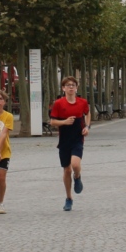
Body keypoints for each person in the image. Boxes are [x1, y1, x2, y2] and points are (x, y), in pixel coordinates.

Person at [49, 76, 90, 211]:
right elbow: (53, 121)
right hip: (64, 140)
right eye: (68, 85)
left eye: (73, 85)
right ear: (63, 88)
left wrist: (87, 127)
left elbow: (88, 113)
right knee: (67, 170)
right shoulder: (59, 104)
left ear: (76, 88)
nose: (71, 87)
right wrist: (64, 122)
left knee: (75, 164)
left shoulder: (82, 102)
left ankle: (77, 176)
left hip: (77, 138)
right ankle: (69, 198)